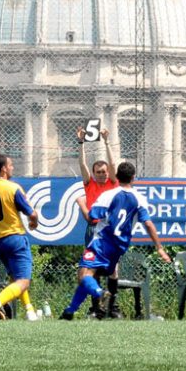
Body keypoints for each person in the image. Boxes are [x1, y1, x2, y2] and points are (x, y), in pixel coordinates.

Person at [60, 161, 171, 320]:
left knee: (84, 275)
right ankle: (69, 312)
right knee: (91, 275)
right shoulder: (139, 198)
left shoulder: (108, 195)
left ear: (117, 176)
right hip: (119, 248)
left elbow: (92, 218)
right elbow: (148, 223)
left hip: (101, 242)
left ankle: (101, 294)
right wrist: (159, 248)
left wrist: (82, 204)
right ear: (133, 178)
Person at [0, 153, 41, 321]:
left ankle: (30, 311)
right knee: (24, 281)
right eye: (10, 165)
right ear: (3, 168)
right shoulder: (12, 188)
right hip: (15, 237)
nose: (12, 168)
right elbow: (31, 213)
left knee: (15, 278)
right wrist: (35, 221)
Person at [74, 126, 120, 318]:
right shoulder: (90, 184)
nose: (102, 174)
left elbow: (113, 163)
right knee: (91, 268)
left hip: (110, 230)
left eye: (104, 171)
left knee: (113, 268)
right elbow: (82, 165)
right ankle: (96, 308)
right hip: (93, 229)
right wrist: (81, 143)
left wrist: (107, 142)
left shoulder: (113, 183)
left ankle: (113, 308)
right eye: (98, 172)